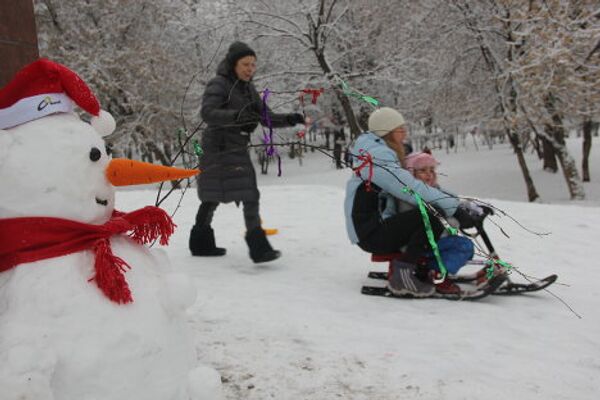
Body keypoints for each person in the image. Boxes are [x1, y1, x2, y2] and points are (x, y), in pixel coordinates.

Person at [344, 107, 489, 297]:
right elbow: (411, 189)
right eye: (400, 129)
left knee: (434, 211)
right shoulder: (376, 158)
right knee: (433, 213)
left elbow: (427, 188)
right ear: (387, 132)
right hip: (372, 232)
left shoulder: (380, 153)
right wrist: (453, 208)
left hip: (375, 227)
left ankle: (414, 268)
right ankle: (403, 274)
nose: (405, 133)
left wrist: (458, 205)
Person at [190, 41, 305, 263]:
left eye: (253, 65)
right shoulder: (219, 84)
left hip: (236, 147)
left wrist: (290, 119)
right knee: (215, 196)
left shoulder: (248, 89)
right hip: (218, 149)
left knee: (245, 193)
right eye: (245, 64)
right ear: (233, 64)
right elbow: (208, 113)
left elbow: (265, 117)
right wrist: (236, 116)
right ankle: (210, 243)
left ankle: (246, 247)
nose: (250, 69)